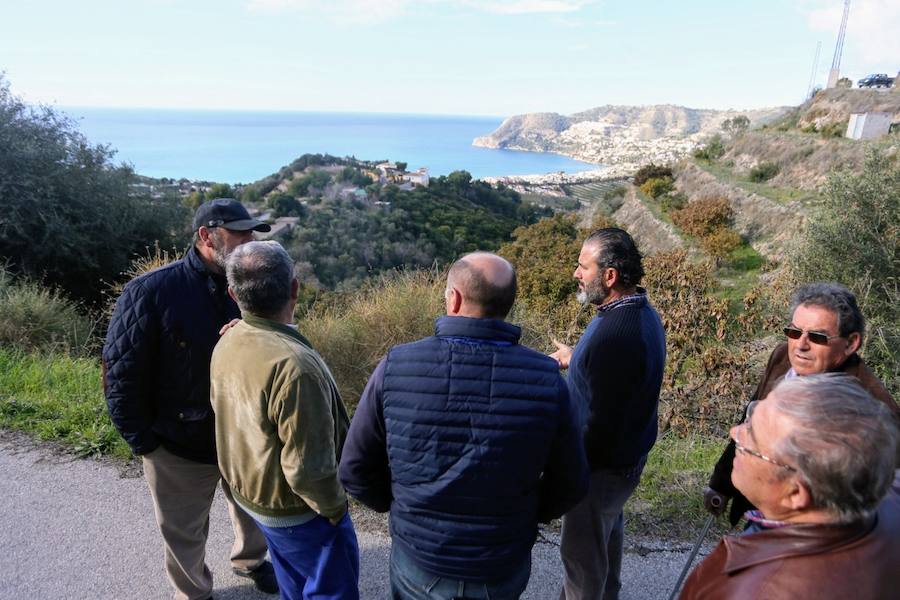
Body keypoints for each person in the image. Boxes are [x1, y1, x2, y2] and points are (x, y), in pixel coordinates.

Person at [339, 252, 589, 600]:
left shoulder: (397, 365)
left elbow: (354, 468)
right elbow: (572, 482)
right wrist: (527, 516)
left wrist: (401, 508)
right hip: (500, 563)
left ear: (453, 299)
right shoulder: (546, 380)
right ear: (507, 305)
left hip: (420, 556)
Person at [103, 198, 277, 600]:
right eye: (240, 233)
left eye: (252, 232)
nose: (249, 241)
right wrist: (143, 441)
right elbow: (120, 371)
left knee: (255, 512)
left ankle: (251, 561)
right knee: (182, 531)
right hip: (178, 442)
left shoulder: (252, 284)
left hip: (244, 437)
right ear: (206, 236)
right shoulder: (152, 291)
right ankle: (194, 593)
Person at [210, 240, 359, 600]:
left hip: (254, 496)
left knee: (294, 585)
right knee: (328, 592)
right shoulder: (294, 367)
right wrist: (335, 510)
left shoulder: (228, 340)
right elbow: (308, 468)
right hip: (297, 510)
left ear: (233, 293)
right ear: (295, 288)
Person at [680, 374, 900, 599]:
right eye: (750, 416)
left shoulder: (747, 590)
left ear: (796, 493)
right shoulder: (889, 499)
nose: (735, 433)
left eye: (752, 437)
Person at [705, 282, 899, 526]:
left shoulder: (872, 408)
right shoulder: (781, 358)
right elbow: (751, 423)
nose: (801, 345)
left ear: (851, 343)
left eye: (817, 337)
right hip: (763, 510)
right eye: (794, 332)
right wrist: (721, 484)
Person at [550, 227, 666, 600]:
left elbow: (597, 422)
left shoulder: (616, 334)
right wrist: (575, 356)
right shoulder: (637, 312)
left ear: (610, 276)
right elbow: (613, 379)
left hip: (599, 471)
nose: (576, 273)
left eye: (583, 266)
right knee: (604, 547)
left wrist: (562, 464)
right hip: (622, 464)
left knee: (582, 563)